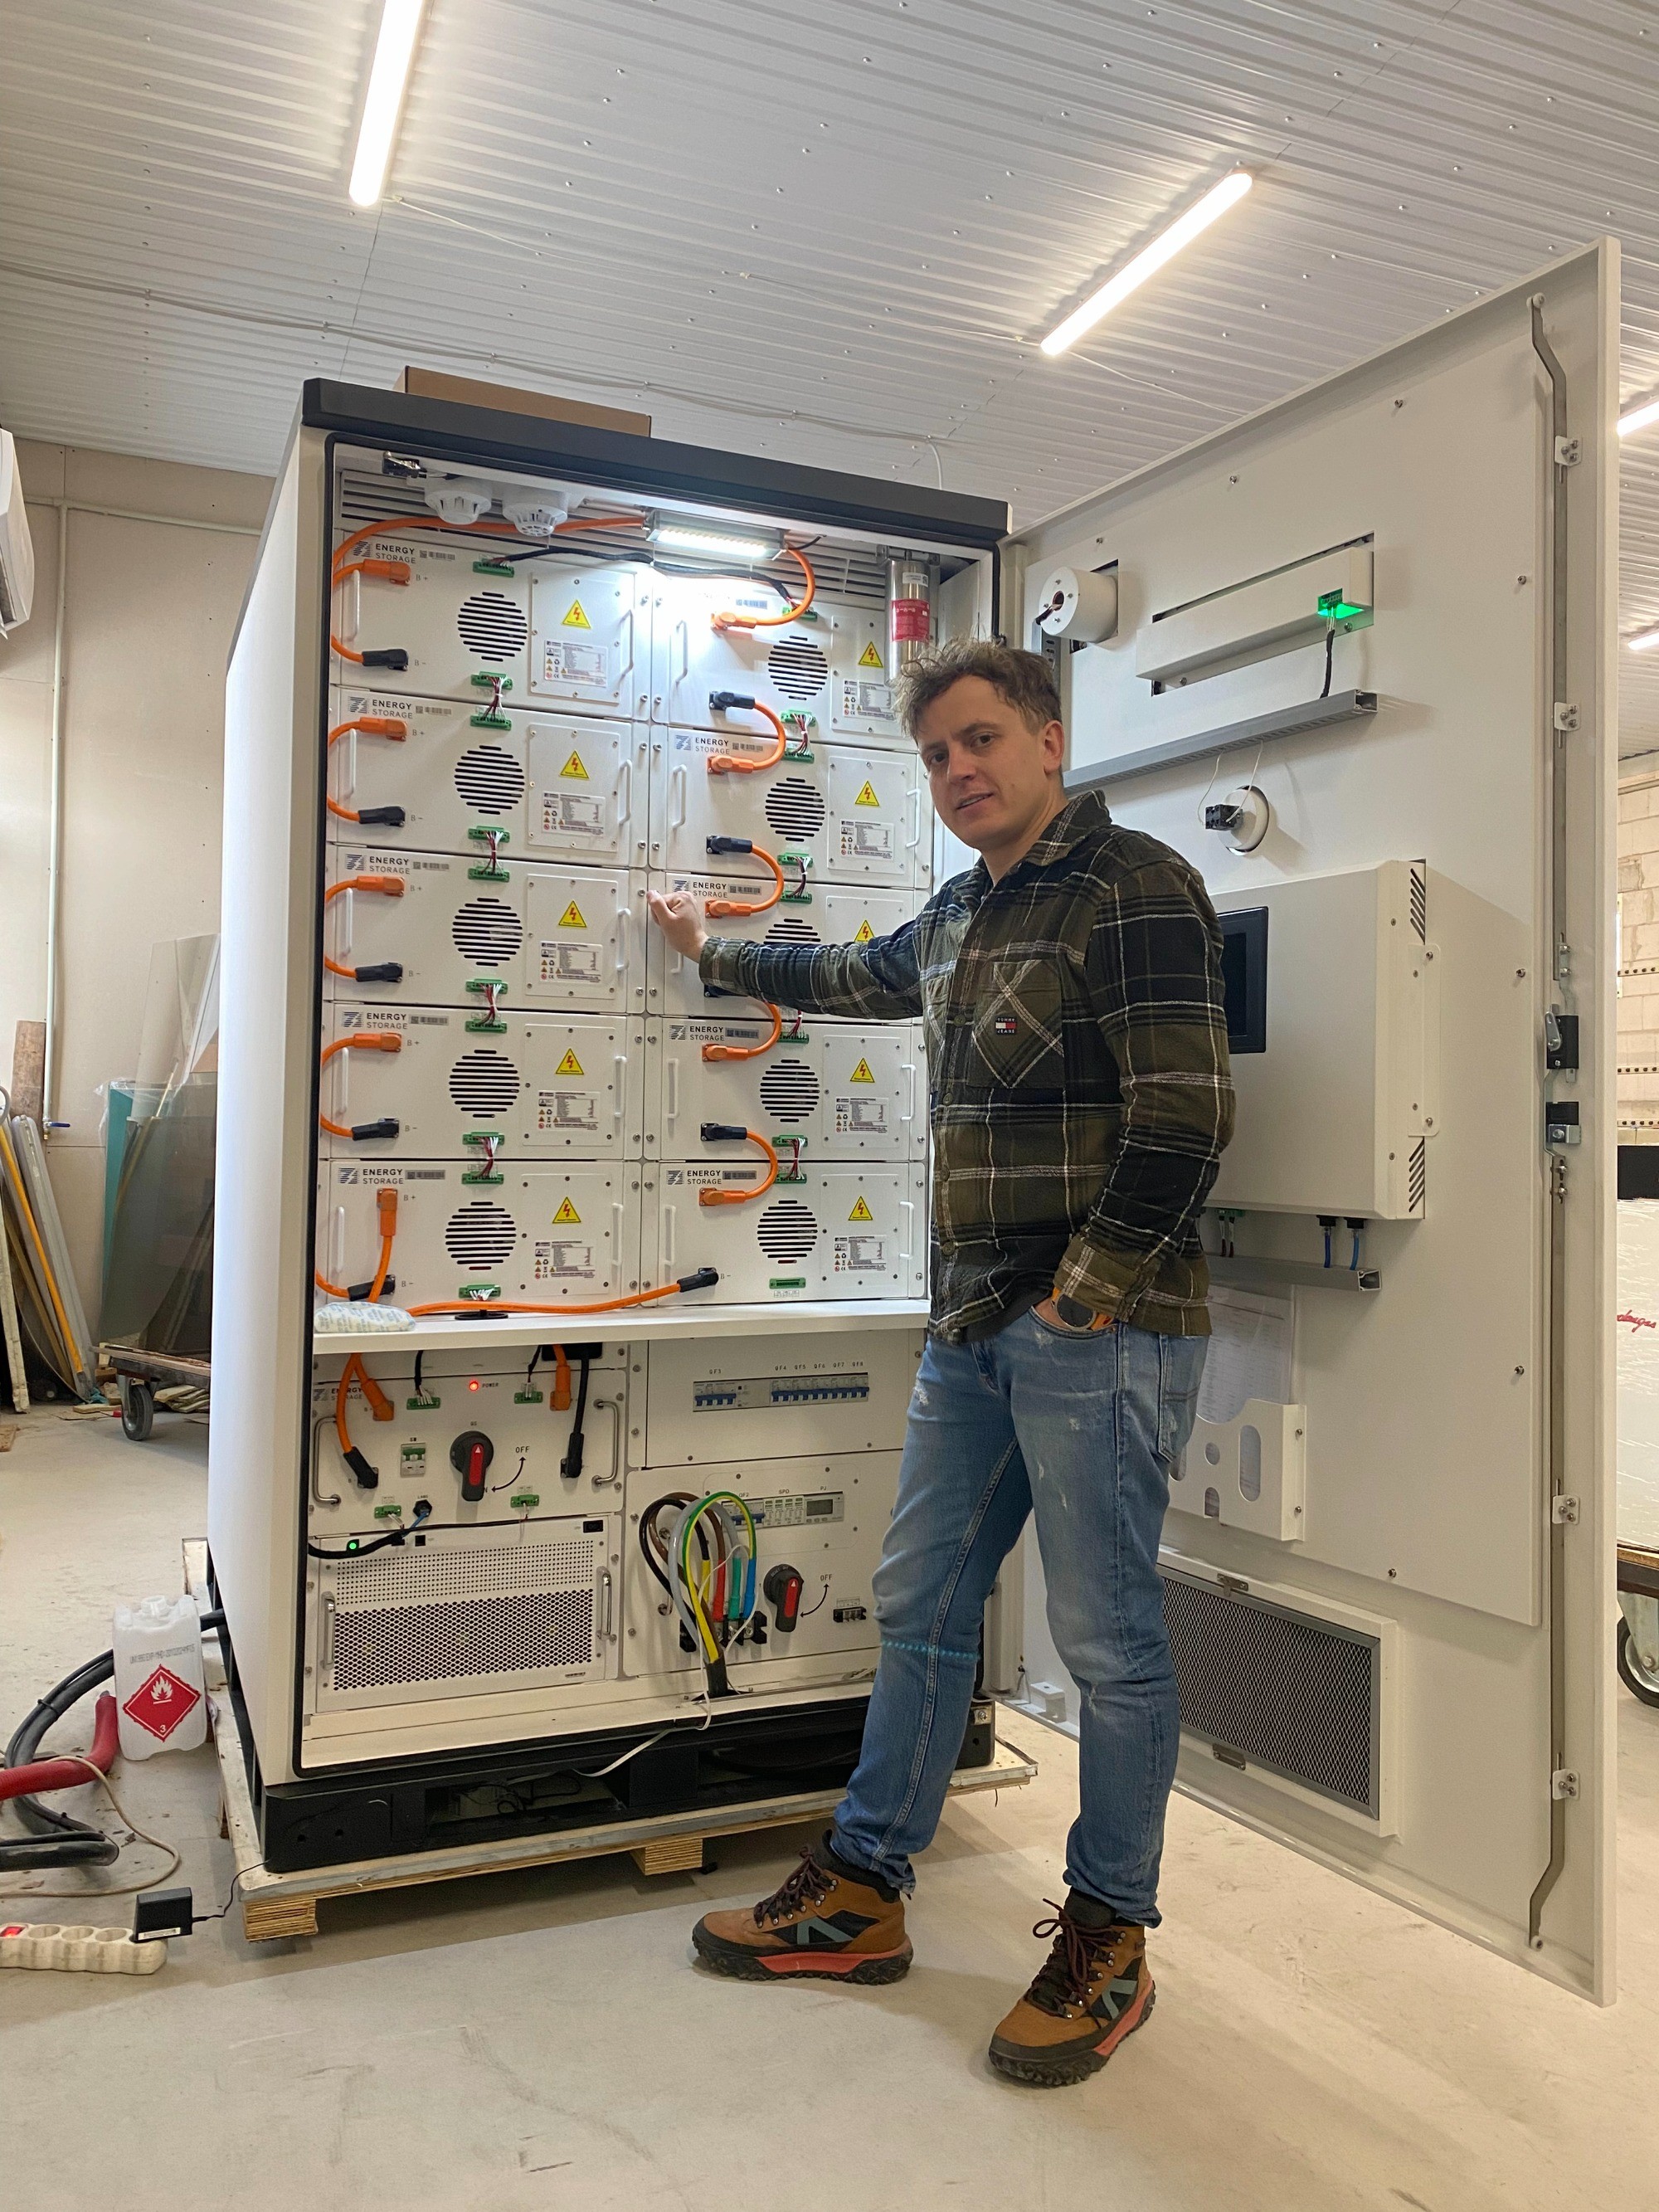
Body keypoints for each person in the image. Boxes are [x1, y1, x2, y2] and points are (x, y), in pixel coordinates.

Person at [646, 637, 1233, 2088]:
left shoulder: (1136, 885)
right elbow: (850, 973)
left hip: (1097, 1331)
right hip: (971, 1328)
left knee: (1107, 1645)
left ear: (1048, 738)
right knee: (918, 1601)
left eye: (980, 739)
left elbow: (1186, 1117)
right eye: (935, 755)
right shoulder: (966, 910)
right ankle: (863, 1886)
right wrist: (710, 949)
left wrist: (1085, 1297)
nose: (958, 769)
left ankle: (1110, 1934)